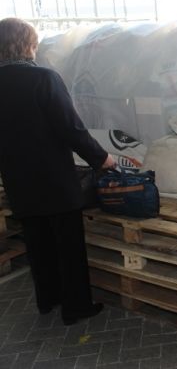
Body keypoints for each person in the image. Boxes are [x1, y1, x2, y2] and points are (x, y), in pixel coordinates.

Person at [0, 18, 115, 325]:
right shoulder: (43, 78)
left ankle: (47, 300)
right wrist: (101, 158)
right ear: (27, 45)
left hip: (18, 180)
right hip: (53, 179)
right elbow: (71, 128)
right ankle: (76, 307)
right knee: (68, 245)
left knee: (37, 243)